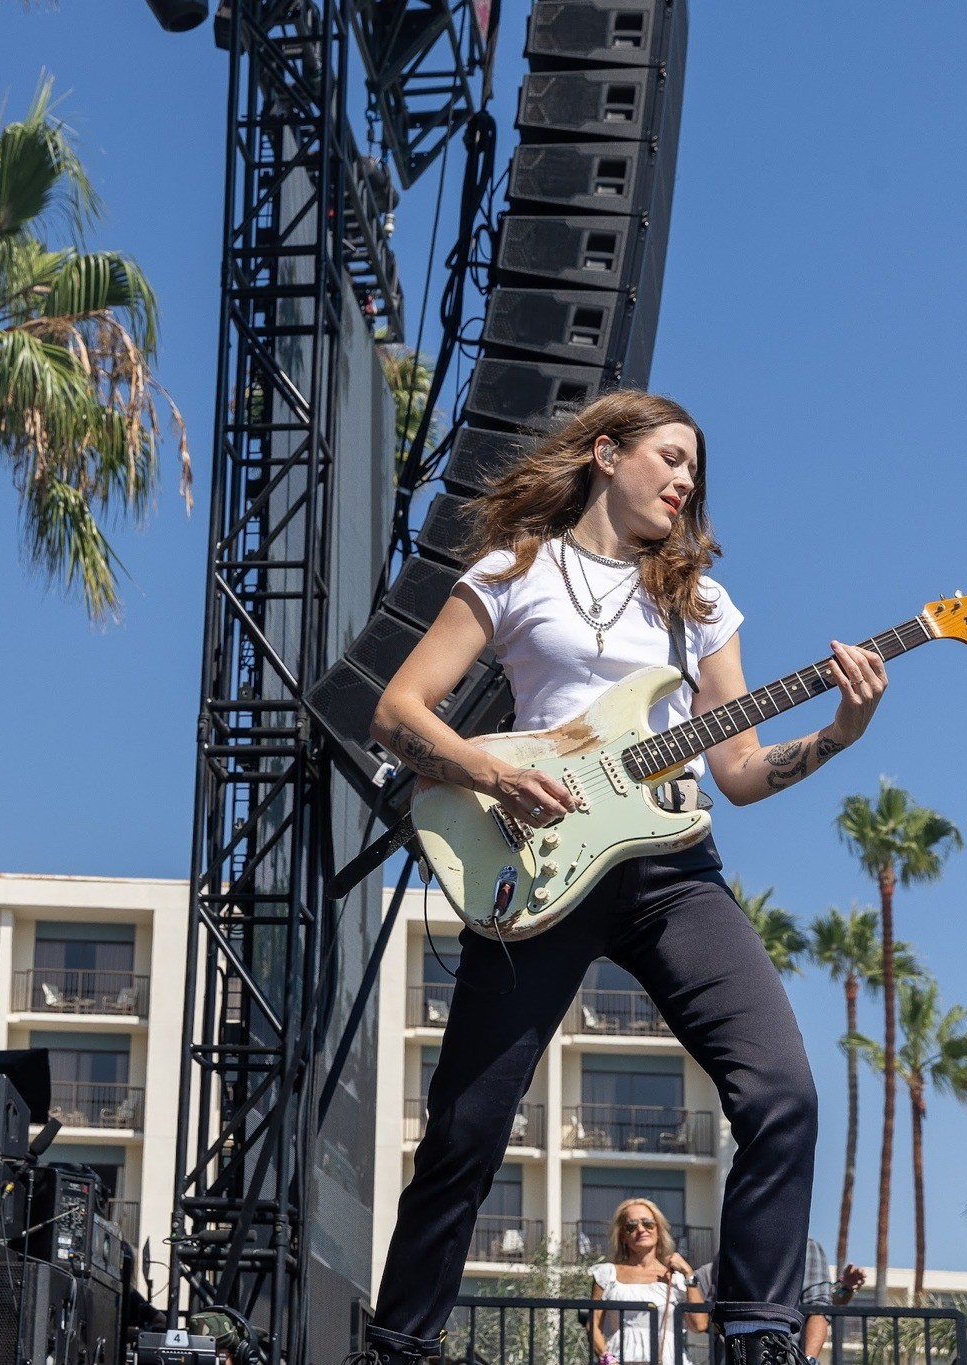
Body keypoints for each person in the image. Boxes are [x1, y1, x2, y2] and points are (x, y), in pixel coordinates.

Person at [359, 391, 890, 1365]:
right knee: (465, 1130)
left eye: (695, 470)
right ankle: (395, 1347)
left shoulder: (697, 607)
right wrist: (491, 773)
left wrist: (835, 734)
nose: (686, 481)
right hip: (536, 869)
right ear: (605, 453)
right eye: (671, 457)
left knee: (783, 1093)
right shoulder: (514, 571)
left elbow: (735, 773)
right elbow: (399, 712)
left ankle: (755, 1337)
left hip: (673, 877)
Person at [589, 1200, 708, 1365]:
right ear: (622, 1235)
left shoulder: (676, 1278)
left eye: (648, 1223)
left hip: (669, 1360)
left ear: (658, 1230)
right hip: (622, 1359)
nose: (641, 1229)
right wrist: (607, 1359)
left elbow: (699, 1325)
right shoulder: (607, 1274)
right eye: (631, 1225)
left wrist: (688, 1273)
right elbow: (592, 1325)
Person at [695, 1248, 866, 1363]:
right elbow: (706, 1318)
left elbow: (819, 1309)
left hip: (786, 1358)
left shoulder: (807, 1248)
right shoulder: (730, 1251)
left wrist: (808, 1360)